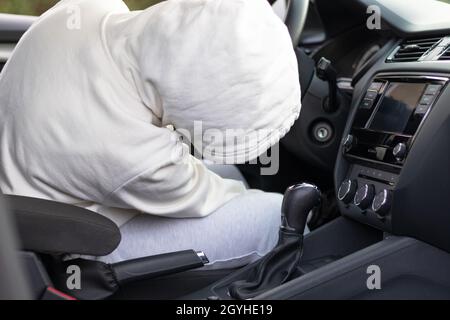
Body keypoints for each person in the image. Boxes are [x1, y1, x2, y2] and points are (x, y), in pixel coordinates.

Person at [0, 0, 301, 269]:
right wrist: (249, 197)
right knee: (278, 218)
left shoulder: (84, 9)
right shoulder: (132, 154)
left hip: (34, 184)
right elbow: (202, 196)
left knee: (230, 172)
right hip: (76, 241)